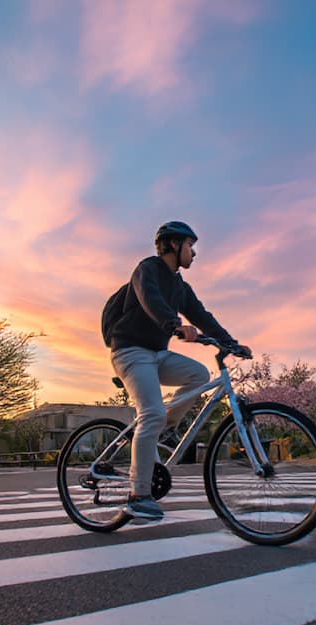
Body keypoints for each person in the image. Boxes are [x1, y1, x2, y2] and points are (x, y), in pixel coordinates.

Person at [101, 221, 250, 522]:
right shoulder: (148, 269)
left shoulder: (181, 287)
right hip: (130, 351)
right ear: (172, 245)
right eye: (190, 246)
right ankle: (137, 495)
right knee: (150, 414)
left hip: (158, 354)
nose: (194, 253)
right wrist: (174, 324)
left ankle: (166, 428)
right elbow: (149, 299)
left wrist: (230, 343)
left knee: (198, 374)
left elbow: (202, 316)